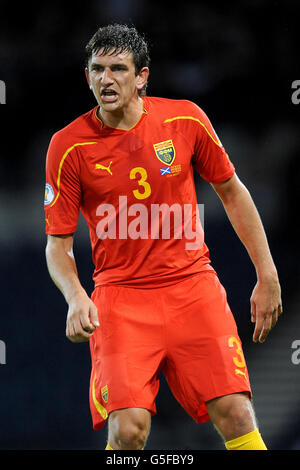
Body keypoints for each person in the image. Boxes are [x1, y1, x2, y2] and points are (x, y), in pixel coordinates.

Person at [44, 23, 282, 451]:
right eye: (97, 69)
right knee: (128, 430)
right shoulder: (67, 147)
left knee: (237, 412)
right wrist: (77, 296)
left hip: (193, 288)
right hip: (120, 299)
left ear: (142, 77)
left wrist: (267, 274)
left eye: (118, 69)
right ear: (87, 76)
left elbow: (232, 191)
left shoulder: (185, 119)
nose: (105, 79)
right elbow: (57, 245)